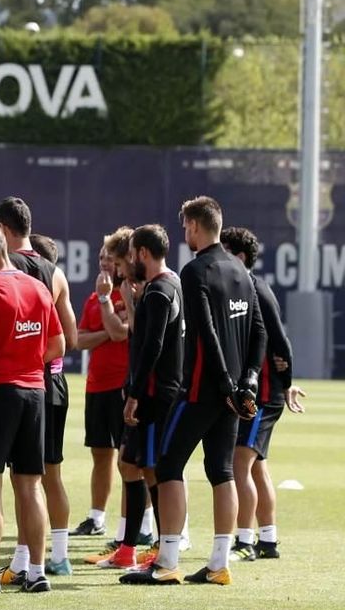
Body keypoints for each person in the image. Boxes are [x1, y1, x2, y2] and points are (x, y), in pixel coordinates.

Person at [125, 197, 266, 586]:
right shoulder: (240, 270)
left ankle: (167, 560)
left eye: (186, 227)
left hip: (203, 390)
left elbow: (205, 331)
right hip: (232, 394)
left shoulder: (195, 271)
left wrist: (222, 383)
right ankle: (219, 563)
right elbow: (259, 331)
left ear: (197, 228)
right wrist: (247, 381)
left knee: (169, 466)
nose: (184, 234)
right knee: (221, 471)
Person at [0, 222, 64, 594]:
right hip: (35, 393)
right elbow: (58, 345)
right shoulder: (38, 286)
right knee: (31, 485)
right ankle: (36, 571)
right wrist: (28, 363)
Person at [0, 197, 77, 580]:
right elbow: (69, 337)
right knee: (49, 474)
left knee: (19, 478)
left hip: (16, 382)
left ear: (5, 230)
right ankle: (57, 555)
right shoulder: (54, 272)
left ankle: (23, 561)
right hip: (53, 381)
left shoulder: (0, 270)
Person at [221, 227, 305, 562]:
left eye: (225, 251)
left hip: (263, 393)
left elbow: (281, 341)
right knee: (256, 467)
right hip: (259, 390)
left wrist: (285, 383)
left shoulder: (255, 287)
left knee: (239, 463)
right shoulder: (240, 287)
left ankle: (244, 541)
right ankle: (268, 541)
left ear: (240, 257)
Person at [102, 225, 183, 572]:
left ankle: (162, 549)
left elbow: (152, 345)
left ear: (144, 254)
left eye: (133, 253)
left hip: (153, 395)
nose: (129, 260)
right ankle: (132, 547)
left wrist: (134, 394)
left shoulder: (160, 291)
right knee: (133, 465)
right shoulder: (167, 285)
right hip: (154, 391)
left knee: (150, 469)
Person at [73, 235, 131, 537]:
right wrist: (109, 328)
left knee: (128, 460)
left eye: (110, 258)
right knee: (100, 454)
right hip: (96, 384)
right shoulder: (95, 297)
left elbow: (121, 334)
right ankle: (96, 518)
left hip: (122, 385)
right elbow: (79, 339)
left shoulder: (127, 293)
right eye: (102, 259)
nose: (106, 264)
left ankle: (134, 524)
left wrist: (111, 322)